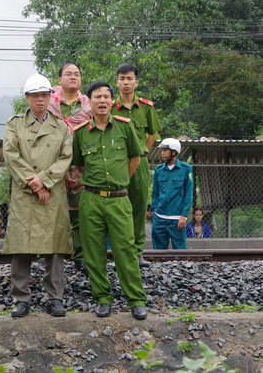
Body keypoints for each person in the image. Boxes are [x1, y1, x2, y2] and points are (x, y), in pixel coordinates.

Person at [72, 81, 147, 320]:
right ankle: (102, 298)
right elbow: (80, 164)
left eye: (106, 97)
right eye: (97, 97)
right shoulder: (81, 132)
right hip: (91, 199)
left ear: (112, 101)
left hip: (119, 200)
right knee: (93, 252)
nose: (102, 101)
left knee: (125, 249)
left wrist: (119, 180)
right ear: (89, 102)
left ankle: (135, 300)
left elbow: (135, 159)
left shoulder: (125, 127)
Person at [3, 73, 73, 318]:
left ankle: (54, 298)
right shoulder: (14, 124)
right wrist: (35, 183)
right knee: (22, 247)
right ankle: (21, 298)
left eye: (44, 95)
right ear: (27, 98)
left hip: (52, 193)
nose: (40, 100)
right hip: (25, 194)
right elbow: (11, 156)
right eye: (35, 95)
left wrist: (44, 180)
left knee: (55, 248)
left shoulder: (61, 126)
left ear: (50, 97)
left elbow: (66, 158)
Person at [111, 64, 162, 268]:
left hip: (139, 163)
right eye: (122, 78)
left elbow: (153, 134)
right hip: (116, 163)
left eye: (129, 78)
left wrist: (142, 152)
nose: (125, 82)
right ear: (117, 81)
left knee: (139, 207)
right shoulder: (110, 107)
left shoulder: (147, 107)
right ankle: (119, 253)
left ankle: (137, 252)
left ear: (136, 82)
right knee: (117, 208)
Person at [48, 62, 93, 269]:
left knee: (79, 214)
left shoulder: (88, 105)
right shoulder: (48, 103)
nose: (73, 77)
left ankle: (80, 257)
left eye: (76, 74)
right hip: (53, 166)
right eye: (68, 74)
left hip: (80, 167)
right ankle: (48, 257)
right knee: (51, 213)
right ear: (59, 79)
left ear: (81, 80)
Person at [151, 138, 194, 249]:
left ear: (174, 152)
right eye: (162, 150)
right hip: (159, 218)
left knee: (180, 253)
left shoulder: (186, 169)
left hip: (177, 218)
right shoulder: (158, 170)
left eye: (165, 150)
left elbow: (188, 194)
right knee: (158, 253)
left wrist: (184, 216)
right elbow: (155, 193)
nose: (162, 153)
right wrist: (156, 212)